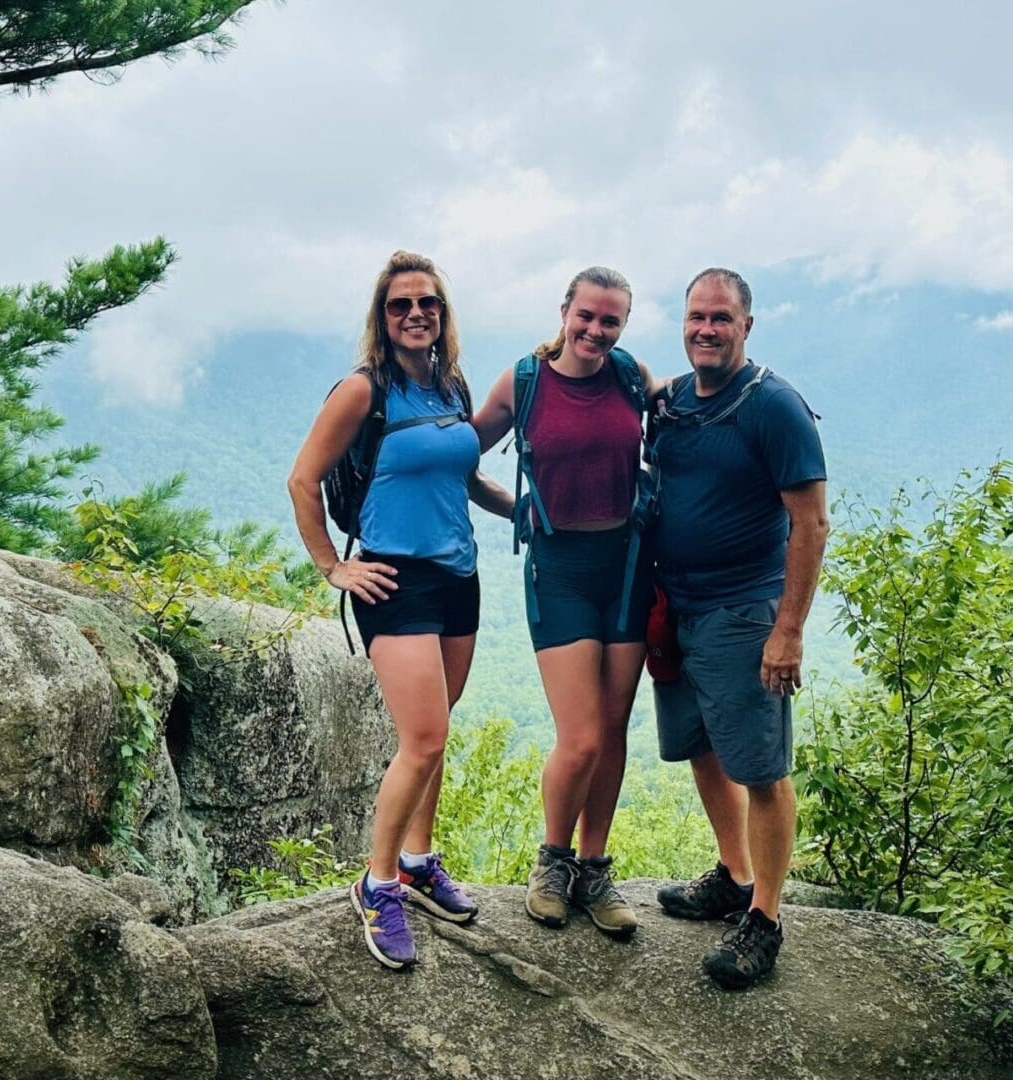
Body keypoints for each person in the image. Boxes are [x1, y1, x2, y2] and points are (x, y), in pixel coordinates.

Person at [288, 250, 511, 970]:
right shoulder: (363, 392)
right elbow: (303, 479)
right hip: (393, 580)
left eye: (428, 304)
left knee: (435, 738)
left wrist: (522, 511)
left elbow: (466, 473)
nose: (416, 314)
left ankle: (418, 859)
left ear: (443, 315)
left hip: (458, 576)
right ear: (381, 320)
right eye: (401, 305)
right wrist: (333, 566)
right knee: (423, 738)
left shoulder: (450, 386)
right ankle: (377, 884)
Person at [649, 267, 828, 989]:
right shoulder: (673, 403)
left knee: (760, 765)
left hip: (744, 610)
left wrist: (788, 630)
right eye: (696, 316)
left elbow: (810, 522)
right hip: (676, 607)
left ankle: (765, 915)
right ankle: (732, 871)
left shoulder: (775, 407)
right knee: (702, 745)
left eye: (721, 318)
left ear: (746, 326)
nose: (707, 329)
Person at [475, 266, 664, 938]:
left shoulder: (629, 377)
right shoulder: (524, 383)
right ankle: (552, 861)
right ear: (564, 311)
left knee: (612, 731)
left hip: (628, 563)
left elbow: (677, 418)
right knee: (580, 737)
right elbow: (460, 457)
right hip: (559, 569)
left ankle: (593, 869)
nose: (595, 330)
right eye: (586, 316)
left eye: (610, 321)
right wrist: (518, 512)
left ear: (622, 328)